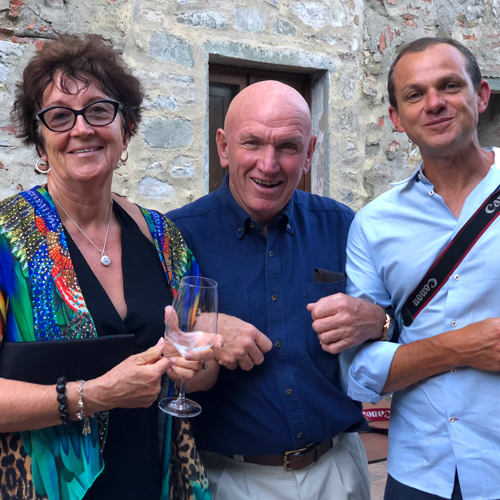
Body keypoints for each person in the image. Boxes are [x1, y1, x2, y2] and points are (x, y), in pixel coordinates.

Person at [0, 35, 218, 500]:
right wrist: (95, 395)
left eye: (99, 110)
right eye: (59, 116)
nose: (81, 129)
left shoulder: (164, 238)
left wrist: (194, 363)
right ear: (40, 140)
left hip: (156, 482)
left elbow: (202, 373)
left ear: (127, 128)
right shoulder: (6, 240)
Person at [167, 80, 388, 500]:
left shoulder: (344, 228)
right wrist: (203, 328)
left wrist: (379, 321)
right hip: (230, 478)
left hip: (338, 470)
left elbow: (398, 326)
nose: (268, 164)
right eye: (252, 143)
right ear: (224, 146)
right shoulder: (177, 236)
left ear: (309, 153)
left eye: (288, 146)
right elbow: (160, 347)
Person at [345, 37, 500, 500]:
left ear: (482, 95)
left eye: (449, 86)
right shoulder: (373, 224)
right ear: (396, 118)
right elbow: (362, 370)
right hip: (422, 473)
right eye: (414, 94)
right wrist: (464, 346)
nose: (434, 104)